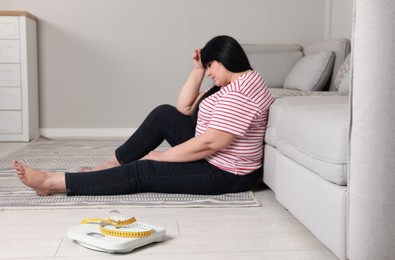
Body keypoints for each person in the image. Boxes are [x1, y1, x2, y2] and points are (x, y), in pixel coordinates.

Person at [13, 35, 275, 197]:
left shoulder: (239, 93)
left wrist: (163, 156)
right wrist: (196, 68)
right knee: (164, 114)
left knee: (143, 170)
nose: (208, 73)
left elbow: (211, 143)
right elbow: (183, 108)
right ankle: (110, 165)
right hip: (216, 156)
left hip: (227, 173)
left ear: (223, 59)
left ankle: (53, 182)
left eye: (209, 66)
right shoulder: (236, 82)